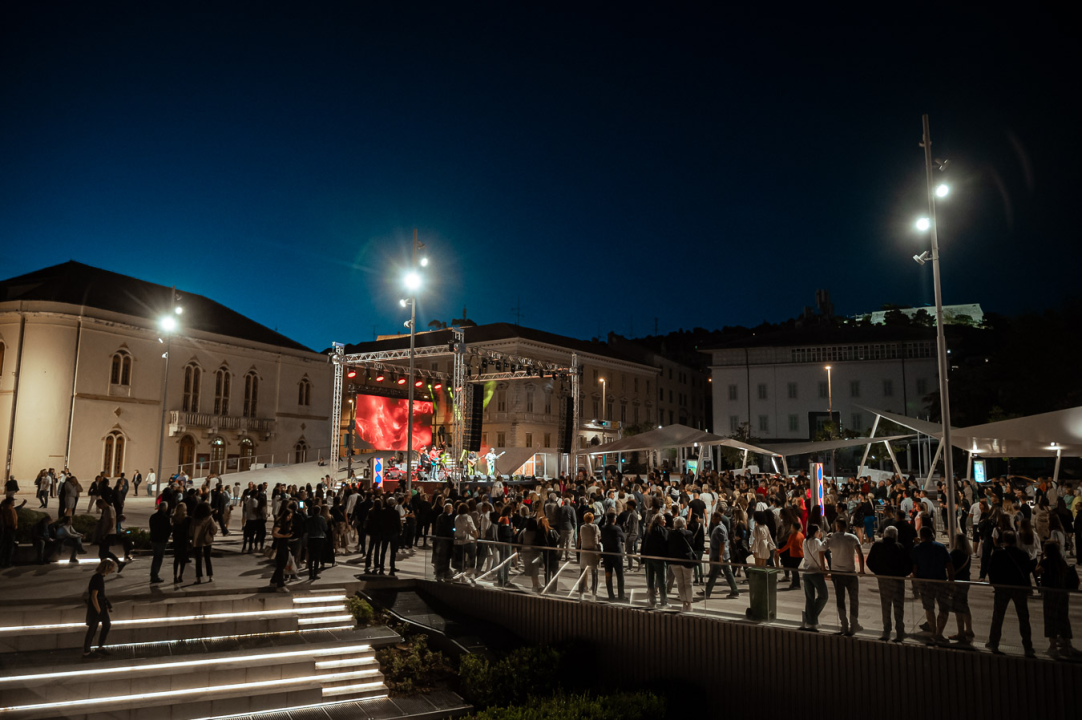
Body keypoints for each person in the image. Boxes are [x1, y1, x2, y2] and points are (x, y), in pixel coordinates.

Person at [985, 530, 1035, 657]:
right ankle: (1027, 645)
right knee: (1023, 617)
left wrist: (995, 584)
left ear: (1004, 540)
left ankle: (994, 641)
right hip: (1019, 588)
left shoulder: (997, 554)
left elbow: (991, 570)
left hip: (1002, 588)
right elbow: (1027, 570)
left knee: (998, 616)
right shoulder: (1022, 554)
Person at [1035, 540, 1080, 659]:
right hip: (1063, 594)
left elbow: (1037, 571)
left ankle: (1053, 646)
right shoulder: (1061, 562)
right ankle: (1066, 643)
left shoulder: (1046, 562)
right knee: (1063, 618)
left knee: (1050, 619)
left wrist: (1041, 557)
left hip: (1050, 594)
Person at [866, 525, 912, 642]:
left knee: (885, 605)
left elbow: (869, 561)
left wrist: (877, 572)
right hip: (898, 580)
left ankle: (886, 630)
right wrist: (903, 574)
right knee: (898, 606)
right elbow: (908, 563)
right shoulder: (899, 547)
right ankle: (899, 630)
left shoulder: (877, 546)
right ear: (895, 536)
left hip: (883, 579)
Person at [911, 525, 955, 644]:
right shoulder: (940, 547)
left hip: (924, 583)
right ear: (932, 535)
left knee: (929, 608)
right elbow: (949, 566)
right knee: (943, 608)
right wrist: (951, 582)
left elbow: (914, 568)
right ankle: (939, 633)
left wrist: (916, 583)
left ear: (921, 536)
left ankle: (934, 631)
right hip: (940, 582)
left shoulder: (917, 548)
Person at [823, 518, 865, 636]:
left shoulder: (832, 538)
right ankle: (854, 622)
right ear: (846, 527)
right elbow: (860, 553)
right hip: (850, 572)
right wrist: (861, 570)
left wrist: (823, 567)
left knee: (840, 599)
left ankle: (844, 624)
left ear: (837, 526)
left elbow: (821, 550)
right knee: (854, 599)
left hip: (837, 573)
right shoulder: (852, 538)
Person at [84, 559, 117, 658]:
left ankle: (100, 647)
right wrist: (99, 610)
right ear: (107, 568)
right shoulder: (97, 578)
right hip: (97, 606)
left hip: (100, 605)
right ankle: (86, 652)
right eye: (112, 568)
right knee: (92, 629)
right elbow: (94, 596)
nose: (112, 570)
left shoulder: (99, 577)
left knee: (106, 624)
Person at [703, 511, 740, 600]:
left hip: (719, 555)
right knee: (726, 572)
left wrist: (720, 555)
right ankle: (734, 590)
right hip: (721, 554)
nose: (712, 520)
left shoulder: (719, 528)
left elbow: (722, 542)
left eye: (714, 518)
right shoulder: (720, 527)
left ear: (718, 518)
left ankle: (707, 592)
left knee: (714, 574)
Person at [800, 524, 829, 632]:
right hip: (816, 572)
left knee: (809, 598)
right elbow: (823, 550)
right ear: (816, 532)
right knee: (824, 595)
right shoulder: (816, 541)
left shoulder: (805, 541)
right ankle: (811, 619)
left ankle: (810, 619)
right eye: (818, 531)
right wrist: (823, 538)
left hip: (806, 572)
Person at [948, 533, 975, 643]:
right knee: (965, 605)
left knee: (958, 608)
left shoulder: (955, 553)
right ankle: (969, 629)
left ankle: (961, 633)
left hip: (957, 582)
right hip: (966, 581)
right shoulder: (967, 553)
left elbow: (950, 568)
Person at [667, 516, 696, 612]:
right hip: (686, 560)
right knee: (688, 582)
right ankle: (689, 603)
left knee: (680, 582)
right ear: (684, 524)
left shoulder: (671, 533)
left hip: (674, 560)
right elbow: (692, 545)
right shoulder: (689, 533)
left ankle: (683, 603)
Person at [642, 514, 669, 608]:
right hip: (659, 559)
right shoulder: (663, 531)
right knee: (662, 581)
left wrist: (643, 558)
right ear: (659, 521)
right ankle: (663, 601)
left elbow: (644, 544)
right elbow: (666, 545)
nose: (665, 521)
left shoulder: (649, 530)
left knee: (650, 580)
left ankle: (652, 601)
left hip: (648, 558)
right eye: (664, 519)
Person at [599, 511, 626, 601]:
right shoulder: (617, 528)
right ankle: (621, 595)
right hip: (616, 554)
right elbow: (623, 538)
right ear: (614, 519)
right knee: (620, 575)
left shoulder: (603, 528)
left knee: (608, 575)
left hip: (607, 554)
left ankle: (611, 595)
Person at [190, 503, 217, 583]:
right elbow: (214, 530)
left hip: (197, 541)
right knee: (207, 558)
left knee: (198, 560)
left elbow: (191, 530)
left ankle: (198, 578)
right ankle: (210, 576)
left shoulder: (194, 518)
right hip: (207, 541)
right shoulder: (209, 518)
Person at [577, 511, 601, 597]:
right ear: (592, 519)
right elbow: (599, 536)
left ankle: (581, 592)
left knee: (582, 572)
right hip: (593, 551)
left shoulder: (582, 527)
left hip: (584, 551)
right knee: (594, 573)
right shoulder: (595, 527)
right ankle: (594, 593)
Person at [148, 502, 171, 584]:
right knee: (158, 558)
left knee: (155, 557)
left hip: (154, 539)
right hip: (161, 540)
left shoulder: (153, 517)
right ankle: (155, 575)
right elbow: (168, 530)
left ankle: (153, 574)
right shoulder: (165, 518)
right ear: (165, 508)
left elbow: (151, 527)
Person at [305, 504, 328, 581]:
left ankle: (310, 574)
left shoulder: (309, 519)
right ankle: (315, 574)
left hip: (311, 538)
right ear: (319, 511)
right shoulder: (322, 519)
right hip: (319, 538)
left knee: (311, 557)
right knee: (317, 557)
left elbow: (306, 528)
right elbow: (325, 528)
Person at [172, 503, 191, 583]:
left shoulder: (174, 518)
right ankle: (181, 575)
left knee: (176, 558)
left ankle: (175, 575)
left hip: (176, 539)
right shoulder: (187, 519)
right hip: (184, 540)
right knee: (183, 559)